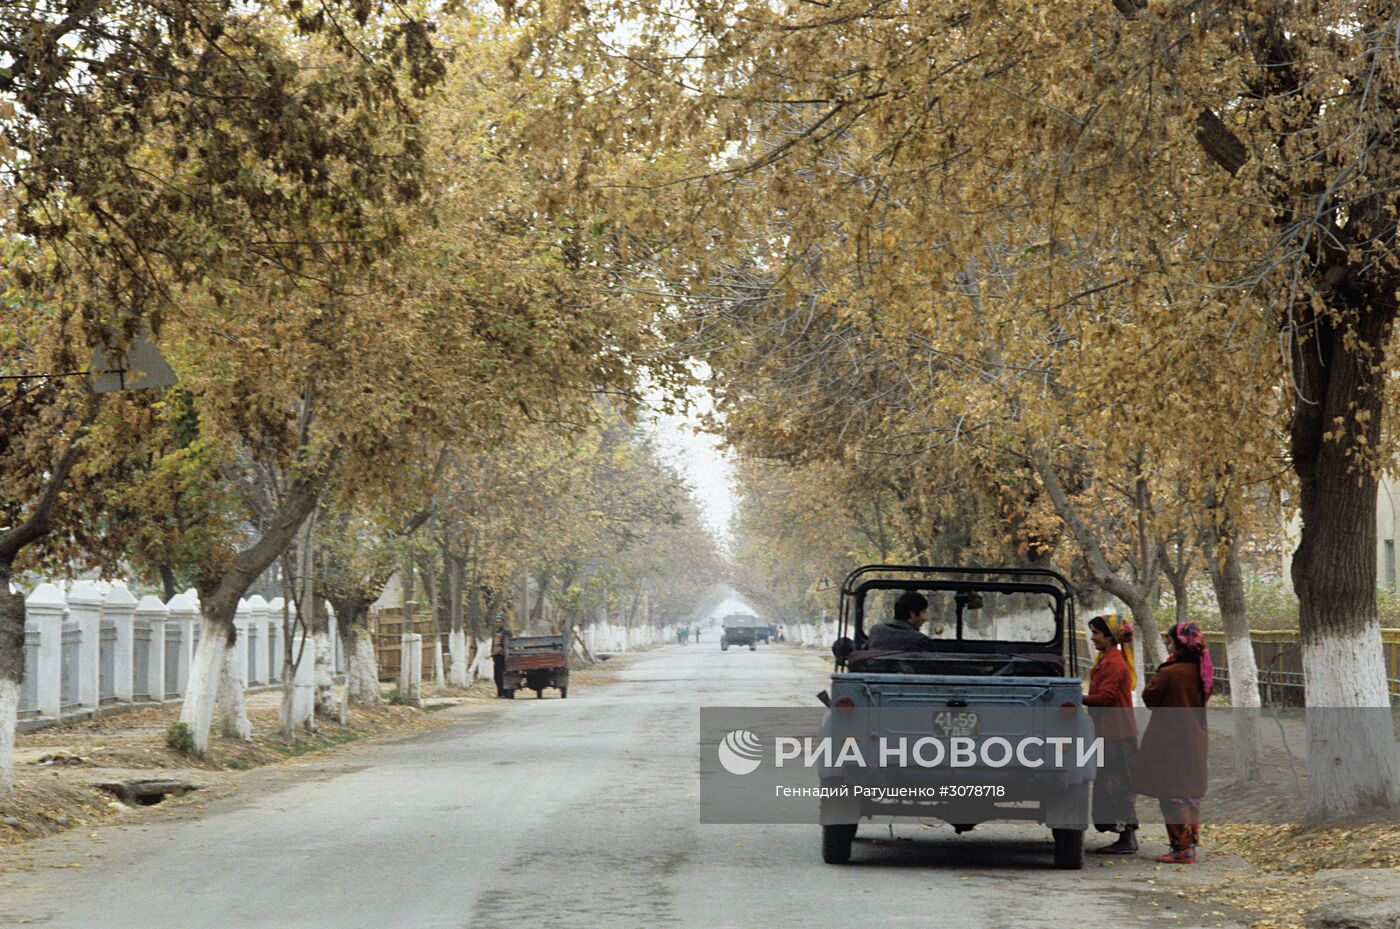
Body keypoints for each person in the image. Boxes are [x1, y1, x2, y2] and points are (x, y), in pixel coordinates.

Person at [1133, 622, 1213, 863]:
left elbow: (1149, 697)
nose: (1168, 645)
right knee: (1188, 793)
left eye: (1170, 641)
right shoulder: (1202, 671)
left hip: (1170, 739)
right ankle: (1190, 843)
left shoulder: (1171, 672)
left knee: (1172, 793)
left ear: (1179, 644)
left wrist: (1163, 667)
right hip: (1194, 737)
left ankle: (1181, 849)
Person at [1082, 613, 1139, 854]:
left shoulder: (1114, 663)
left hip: (1116, 733)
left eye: (1096, 633)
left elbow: (1105, 698)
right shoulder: (1107, 659)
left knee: (1119, 784)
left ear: (1108, 636)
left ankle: (1127, 837)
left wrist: (1078, 698)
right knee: (1112, 782)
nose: (1093, 638)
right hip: (1110, 731)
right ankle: (1123, 836)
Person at [863, 590, 938, 652]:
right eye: (923, 612)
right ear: (912, 614)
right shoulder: (920, 640)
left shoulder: (876, 631)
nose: (925, 618)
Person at [491, 620, 512, 698]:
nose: (498, 623)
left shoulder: (507, 631)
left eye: (499, 622)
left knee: (502, 675)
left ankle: (504, 693)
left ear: (503, 622)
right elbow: (494, 644)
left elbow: (508, 644)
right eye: (496, 622)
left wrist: (503, 651)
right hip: (496, 656)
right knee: (497, 676)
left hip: (502, 656)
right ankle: (499, 693)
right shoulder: (495, 631)